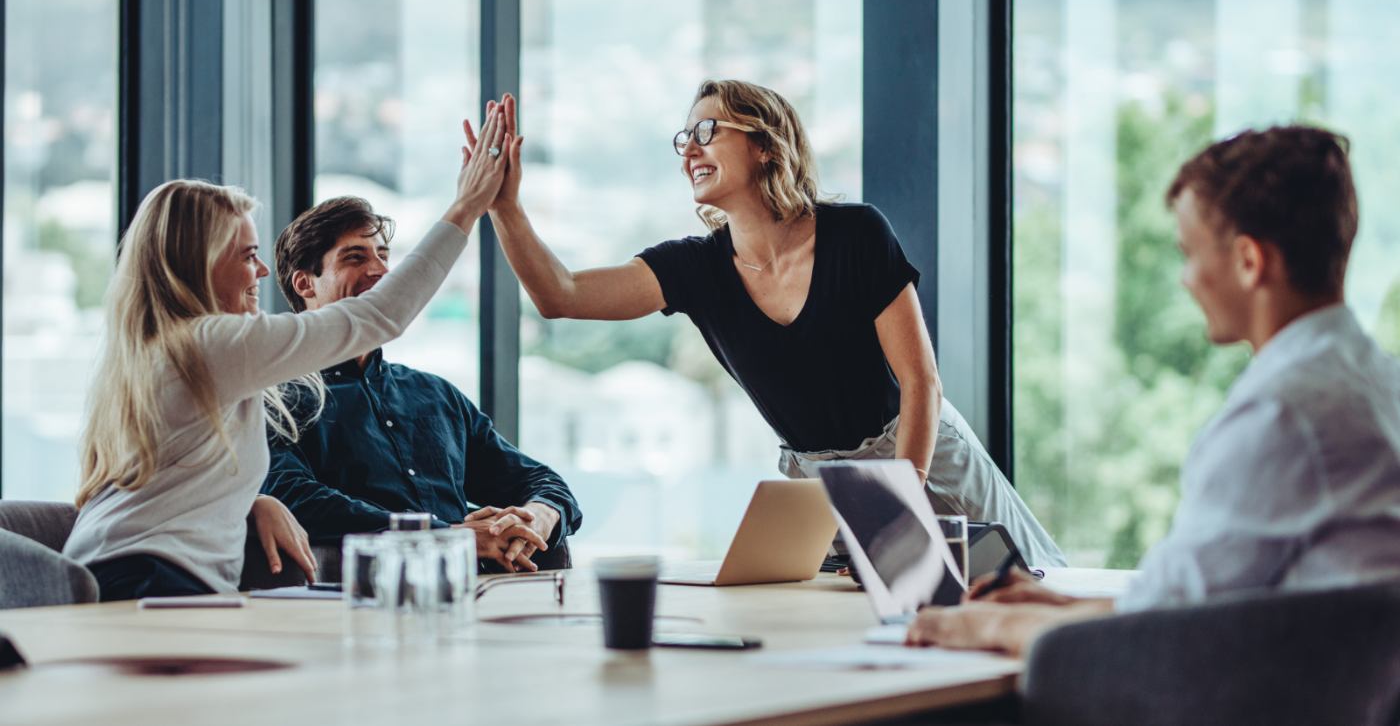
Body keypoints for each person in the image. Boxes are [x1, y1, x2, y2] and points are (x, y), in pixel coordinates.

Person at [474, 81, 1065, 566]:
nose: (690, 151)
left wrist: (898, 501)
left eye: (708, 131)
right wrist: (506, 207)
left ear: (764, 145)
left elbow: (921, 384)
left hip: (920, 453)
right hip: (820, 485)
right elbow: (561, 294)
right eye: (685, 139)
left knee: (1030, 590)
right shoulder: (696, 267)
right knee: (859, 631)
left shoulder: (857, 234)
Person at [906, 125, 1400, 655]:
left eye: (1190, 254)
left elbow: (1159, 634)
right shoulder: (1374, 379)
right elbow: (1190, 598)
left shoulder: (1283, 411)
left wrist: (981, 627)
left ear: (1249, 262)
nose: (1186, 279)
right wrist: (1060, 605)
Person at [62, 107, 513, 600]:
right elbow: (379, 317)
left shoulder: (161, 350)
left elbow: (172, 477)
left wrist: (253, 501)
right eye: (245, 255)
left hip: (119, 572)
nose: (260, 272)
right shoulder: (208, 344)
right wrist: (466, 208)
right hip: (148, 580)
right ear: (198, 264)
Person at [261, 197, 582, 573]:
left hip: (479, 597)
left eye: (383, 255)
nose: (381, 270)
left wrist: (538, 516)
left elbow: (540, 480)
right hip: (360, 601)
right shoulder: (275, 398)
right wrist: (445, 535)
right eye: (355, 257)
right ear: (305, 283)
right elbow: (293, 497)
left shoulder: (435, 394)